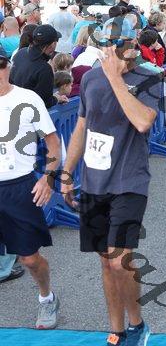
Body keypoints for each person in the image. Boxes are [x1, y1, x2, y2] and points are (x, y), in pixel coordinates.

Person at [61, 17, 162, 346]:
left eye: (117, 45)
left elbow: (143, 122)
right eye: (105, 45)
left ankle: (137, 325)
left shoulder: (149, 78)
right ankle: (117, 331)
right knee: (106, 263)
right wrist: (66, 173)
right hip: (94, 182)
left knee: (120, 260)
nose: (110, 51)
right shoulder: (91, 79)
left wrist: (117, 80)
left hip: (129, 181)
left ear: (131, 45)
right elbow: (81, 127)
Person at [0, 47, 61, 329]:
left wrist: (48, 177)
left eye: (1, 64)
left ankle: (47, 298)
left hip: (19, 187)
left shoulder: (27, 99)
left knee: (30, 259)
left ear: (8, 67)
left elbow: (53, 143)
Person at [10, 25, 67, 108]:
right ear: (53, 44)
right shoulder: (44, 68)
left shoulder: (21, 53)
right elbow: (44, 102)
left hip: (11, 105)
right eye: (56, 41)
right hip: (26, 111)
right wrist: (56, 99)